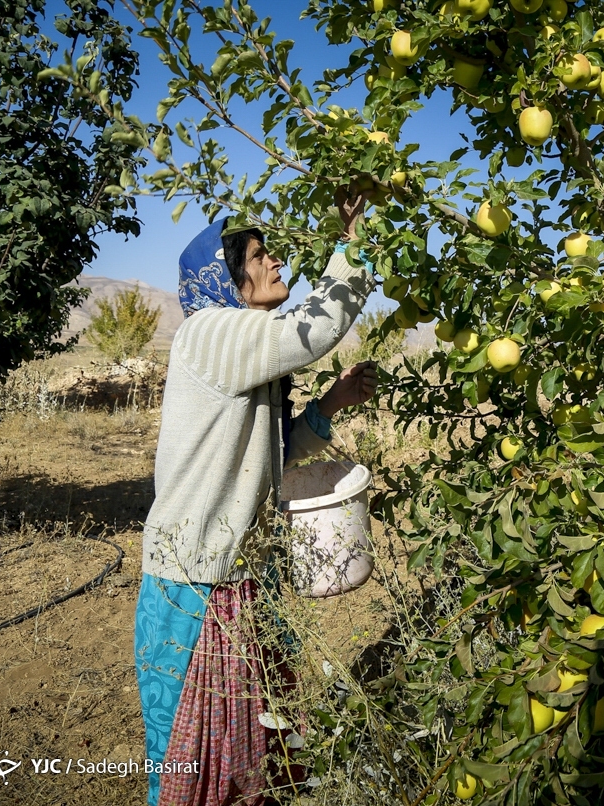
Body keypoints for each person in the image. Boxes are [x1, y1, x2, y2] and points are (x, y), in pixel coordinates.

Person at [133, 216, 377, 806]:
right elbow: (307, 332)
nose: (275, 264)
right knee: (200, 756)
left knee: (257, 734)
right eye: (261, 256)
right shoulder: (209, 333)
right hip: (194, 583)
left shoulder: (241, 349)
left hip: (240, 576)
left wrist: (330, 404)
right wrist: (350, 248)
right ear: (225, 275)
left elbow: (272, 453)